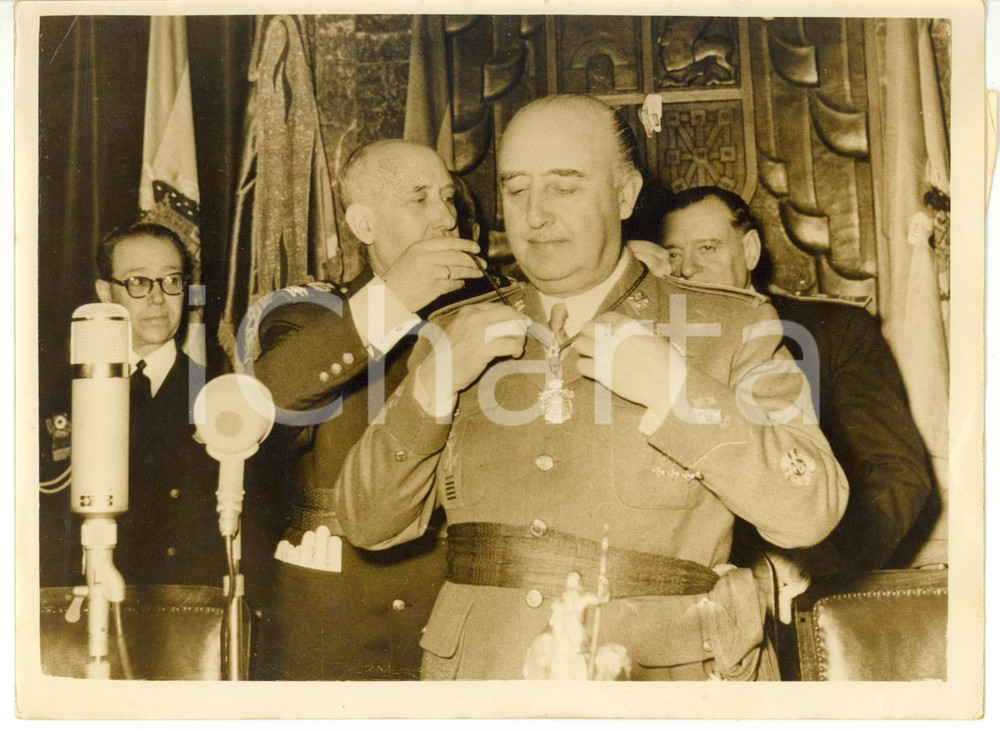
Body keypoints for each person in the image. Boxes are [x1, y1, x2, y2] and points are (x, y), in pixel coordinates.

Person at [333, 95, 848, 681]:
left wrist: (676, 388)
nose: (534, 215)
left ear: (625, 195)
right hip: (485, 680)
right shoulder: (452, 330)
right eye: (516, 188)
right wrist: (432, 386)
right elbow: (367, 523)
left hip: (658, 685)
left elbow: (811, 509)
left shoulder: (733, 326)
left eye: (565, 186)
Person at [250, 139, 489, 680]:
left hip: (457, 602)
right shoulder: (311, 311)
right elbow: (270, 396)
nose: (446, 217)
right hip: (344, 607)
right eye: (420, 199)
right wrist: (395, 298)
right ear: (364, 224)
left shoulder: (486, 309)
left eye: (449, 198)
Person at [628, 186, 934, 577]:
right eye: (674, 254)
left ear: (751, 251)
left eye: (708, 249)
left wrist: (823, 572)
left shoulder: (833, 332)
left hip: (806, 580)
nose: (687, 270)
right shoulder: (650, 344)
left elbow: (898, 474)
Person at [93, 221, 222, 586]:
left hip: (184, 617)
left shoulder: (220, 395)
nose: (157, 298)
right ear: (106, 292)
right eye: (138, 281)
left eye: (171, 280)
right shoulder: (68, 393)